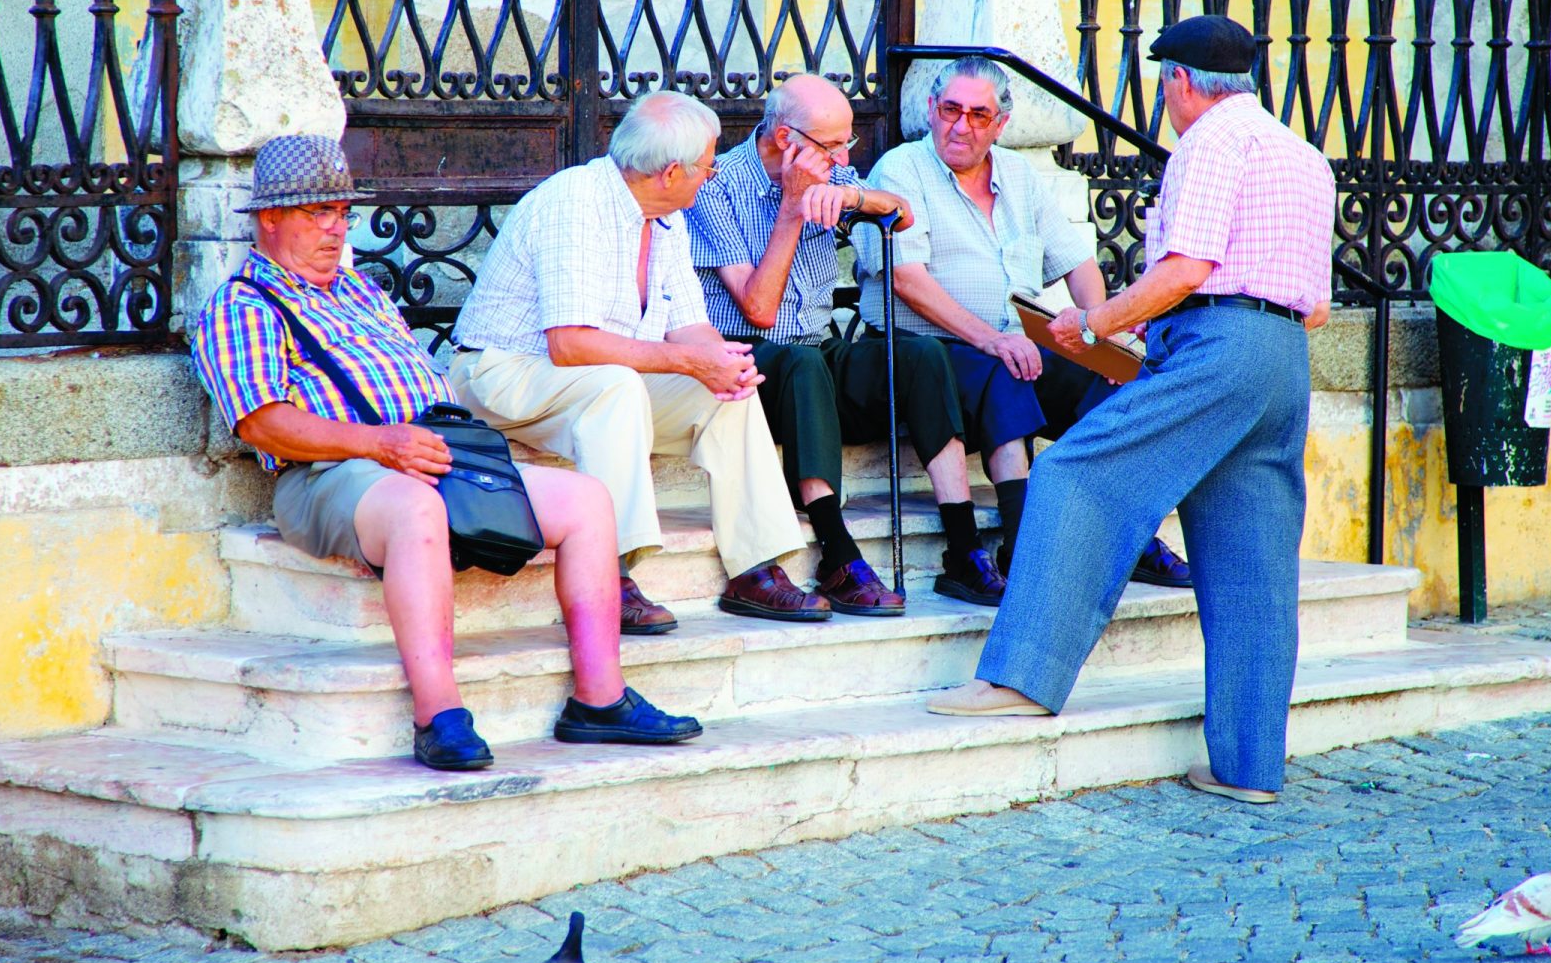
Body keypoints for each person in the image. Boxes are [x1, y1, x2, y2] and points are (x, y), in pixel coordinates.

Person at [189, 135, 701, 772]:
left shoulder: (363, 292)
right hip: (333, 474)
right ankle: (440, 715)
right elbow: (265, 425)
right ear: (271, 219)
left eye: (342, 214)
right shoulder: (241, 304)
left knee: (587, 501)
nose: (335, 229)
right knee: (414, 510)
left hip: (432, 452)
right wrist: (382, 443)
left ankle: (600, 700)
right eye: (318, 214)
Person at [925, 16, 1337, 807]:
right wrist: (1181, 315)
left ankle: (1021, 679)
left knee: (1076, 475)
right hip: (1281, 360)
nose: (1164, 100)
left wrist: (1096, 322)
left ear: (1182, 82)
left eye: (1163, 85)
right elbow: (1312, 305)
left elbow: (1189, 266)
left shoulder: (1210, 143)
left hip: (1218, 349)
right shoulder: (1302, 156)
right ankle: (1249, 767)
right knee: (1252, 561)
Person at [447, 91, 829, 630]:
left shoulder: (667, 216)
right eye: (708, 165)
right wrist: (689, 362)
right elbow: (570, 344)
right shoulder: (576, 202)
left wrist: (722, 361)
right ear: (672, 172)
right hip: (502, 374)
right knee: (619, 386)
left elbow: (690, 326)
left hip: (592, 379)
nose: (713, 175)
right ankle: (611, 572)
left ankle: (756, 568)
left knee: (729, 394)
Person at [854, 56, 1193, 602]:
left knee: (1118, 385)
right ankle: (1023, 544)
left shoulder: (1018, 175)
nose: (960, 126)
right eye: (950, 110)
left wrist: (1099, 337)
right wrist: (991, 339)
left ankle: (1126, 536)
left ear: (1000, 124)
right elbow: (905, 280)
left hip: (1013, 343)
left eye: (977, 115)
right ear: (930, 109)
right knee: (1006, 371)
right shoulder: (901, 170)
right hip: (930, 347)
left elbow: (1078, 265)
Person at [687, 73, 998, 615]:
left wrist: (855, 194)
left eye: (846, 143)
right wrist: (793, 206)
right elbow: (758, 309)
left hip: (816, 349)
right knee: (803, 362)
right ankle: (835, 551)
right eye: (833, 146)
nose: (842, 155)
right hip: (747, 360)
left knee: (922, 355)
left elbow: (901, 214)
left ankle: (964, 546)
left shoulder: (830, 167)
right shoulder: (717, 189)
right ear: (786, 140)